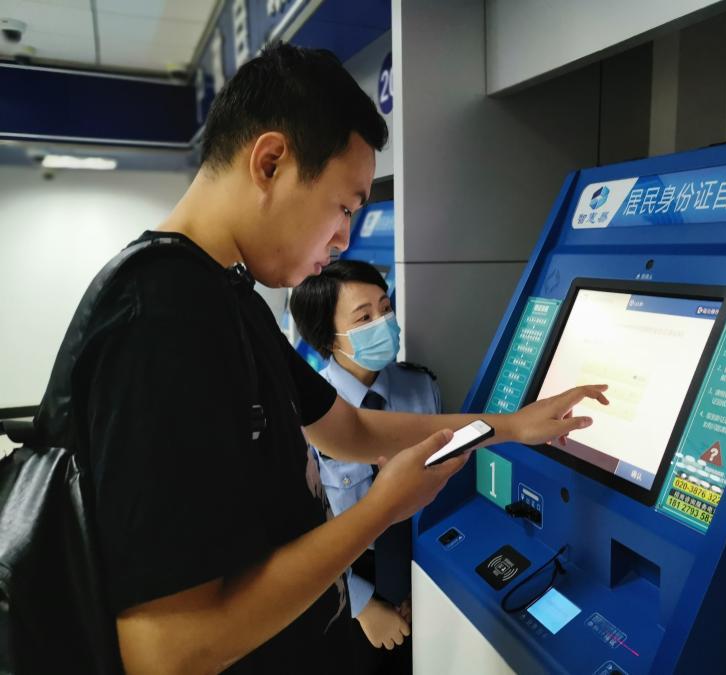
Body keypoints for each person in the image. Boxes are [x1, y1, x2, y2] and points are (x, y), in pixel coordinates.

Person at [39, 43, 608, 674]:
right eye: (343, 207)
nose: (343, 239)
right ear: (271, 162)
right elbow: (168, 653)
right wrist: (381, 509)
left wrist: (509, 426)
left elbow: (350, 429)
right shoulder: (160, 320)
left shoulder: (226, 297)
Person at [291, 259, 439, 673]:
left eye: (385, 308)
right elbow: (302, 529)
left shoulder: (422, 387)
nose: (384, 323)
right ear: (328, 337)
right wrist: (362, 606)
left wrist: (423, 587)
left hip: (421, 572)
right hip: (345, 585)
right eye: (364, 317)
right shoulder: (306, 415)